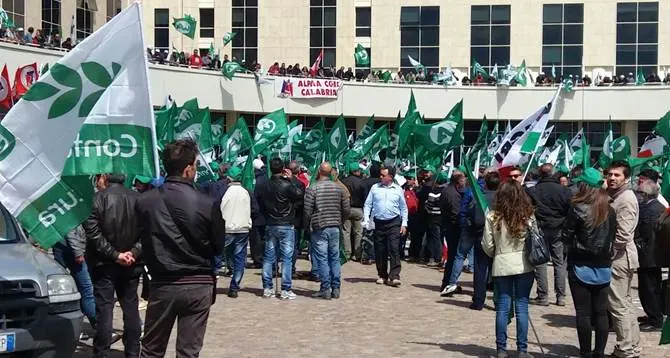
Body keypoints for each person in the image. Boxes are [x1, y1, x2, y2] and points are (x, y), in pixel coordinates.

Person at [137, 139, 225, 358]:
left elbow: (138, 239)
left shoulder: (144, 201)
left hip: (163, 282)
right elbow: (218, 246)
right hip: (198, 282)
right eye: (195, 166)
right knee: (188, 352)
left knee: (151, 350)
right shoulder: (207, 203)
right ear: (188, 169)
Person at [84, 173, 142, 358]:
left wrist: (117, 255)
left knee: (105, 309)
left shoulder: (96, 199)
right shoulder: (137, 199)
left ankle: (102, 353)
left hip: (105, 263)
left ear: (106, 178)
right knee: (130, 308)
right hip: (128, 262)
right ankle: (133, 352)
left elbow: (93, 234)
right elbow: (147, 232)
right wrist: (131, 252)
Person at [563, 168, 616, 358]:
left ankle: (586, 352)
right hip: (603, 264)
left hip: (580, 263)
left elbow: (566, 234)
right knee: (601, 313)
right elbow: (613, 235)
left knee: (584, 313)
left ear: (583, 185)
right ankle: (599, 352)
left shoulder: (577, 207)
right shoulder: (610, 208)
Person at [482, 180, 536, 358]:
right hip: (523, 264)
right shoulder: (528, 215)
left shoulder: (492, 216)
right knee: (522, 307)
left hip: (502, 264)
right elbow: (534, 241)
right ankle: (522, 349)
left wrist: (497, 254)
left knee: (502, 308)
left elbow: (488, 245)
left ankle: (501, 349)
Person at [605, 160, 641, 358]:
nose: (611, 178)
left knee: (618, 305)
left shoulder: (625, 198)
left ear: (626, 178)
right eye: (609, 174)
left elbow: (623, 234)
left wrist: (609, 253)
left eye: (617, 175)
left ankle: (625, 348)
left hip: (620, 257)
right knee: (625, 304)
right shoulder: (617, 195)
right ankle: (632, 345)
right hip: (622, 256)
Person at [257, 158, 305, 300]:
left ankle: (267, 288)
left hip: (271, 223)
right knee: (287, 258)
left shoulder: (264, 185)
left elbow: (260, 202)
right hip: (285, 224)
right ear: (283, 168)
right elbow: (300, 193)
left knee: (269, 257)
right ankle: (285, 289)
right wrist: (292, 179)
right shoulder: (286, 185)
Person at [526, 163, 572, 306]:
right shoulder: (563, 190)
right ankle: (560, 296)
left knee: (541, 261)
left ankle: (543, 295)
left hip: (542, 227)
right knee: (559, 262)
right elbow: (569, 209)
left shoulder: (534, 190)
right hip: (557, 228)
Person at [303, 162, 350, 299]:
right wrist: (340, 220)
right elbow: (346, 208)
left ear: (319, 171)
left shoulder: (313, 188)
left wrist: (307, 226)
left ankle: (325, 288)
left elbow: (307, 211)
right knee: (334, 258)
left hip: (320, 226)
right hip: (335, 226)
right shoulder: (339, 188)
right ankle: (336, 287)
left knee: (322, 258)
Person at [363, 166, 408, 286]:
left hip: (394, 222)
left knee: (394, 248)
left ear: (391, 177)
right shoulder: (375, 188)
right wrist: (367, 219)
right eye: (380, 175)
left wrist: (404, 223)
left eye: (383, 175)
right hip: (379, 223)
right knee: (380, 249)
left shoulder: (398, 189)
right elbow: (368, 204)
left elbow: (403, 208)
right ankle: (382, 274)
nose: (381, 177)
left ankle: (394, 275)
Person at [52, 225, 96, 339]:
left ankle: (76, 328)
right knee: (86, 289)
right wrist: (78, 252)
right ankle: (99, 326)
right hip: (70, 249)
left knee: (73, 289)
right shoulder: (68, 208)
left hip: (63, 247)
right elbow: (69, 229)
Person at [634, 169, 665, 331]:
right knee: (648, 287)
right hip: (649, 254)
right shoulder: (648, 205)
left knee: (650, 288)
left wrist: (636, 243)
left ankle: (655, 319)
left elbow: (646, 232)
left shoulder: (653, 208)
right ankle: (652, 314)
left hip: (650, 255)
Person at [221, 166, 259, 298]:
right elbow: (255, 209)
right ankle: (234, 286)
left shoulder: (224, 191)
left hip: (227, 228)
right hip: (242, 228)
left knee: (221, 254)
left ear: (228, 178)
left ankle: (213, 281)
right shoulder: (246, 191)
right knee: (239, 258)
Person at [470, 170, 499, 310]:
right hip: (498, 238)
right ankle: (499, 302)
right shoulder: (502, 199)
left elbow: (476, 220)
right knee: (498, 271)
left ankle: (478, 301)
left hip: (482, 236)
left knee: (481, 270)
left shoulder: (479, 199)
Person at [440, 171, 466, 295]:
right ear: (458, 180)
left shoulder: (447, 190)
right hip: (453, 228)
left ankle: (448, 282)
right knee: (454, 257)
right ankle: (448, 284)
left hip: (448, 226)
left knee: (453, 256)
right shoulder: (453, 194)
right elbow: (456, 212)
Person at [341, 162, 366, 261]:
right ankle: (357, 254)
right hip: (358, 209)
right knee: (358, 232)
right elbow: (365, 197)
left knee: (346, 232)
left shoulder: (343, 181)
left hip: (346, 208)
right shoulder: (361, 182)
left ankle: (347, 253)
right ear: (357, 171)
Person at [250, 158, 268, 268]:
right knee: (263, 239)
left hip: (257, 214)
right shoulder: (266, 178)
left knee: (256, 239)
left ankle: (258, 260)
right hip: (266, 214)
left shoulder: (257, 181)